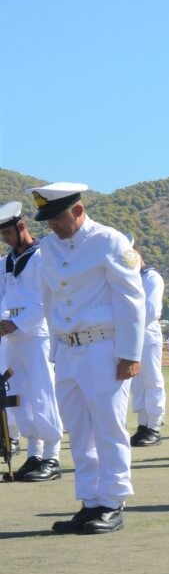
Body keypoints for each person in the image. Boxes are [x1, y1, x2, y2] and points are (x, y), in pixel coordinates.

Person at [27, 182, 143, 532]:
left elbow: (131, 300)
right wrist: (55, 348)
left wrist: (129, 354)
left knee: (108, 426)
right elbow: (49, 298)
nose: (52, 226)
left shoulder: (109, 241)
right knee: (78, 429)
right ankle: (90, 500)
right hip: (69, 349)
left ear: (78, 210)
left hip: (103, 348)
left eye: (57, 217)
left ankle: (113, 501)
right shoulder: (48, 248)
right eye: (47, 220)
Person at [0, 201, 64, 480]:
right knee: (18, 395)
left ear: (22, 226)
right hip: (11, 335)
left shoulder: (42, 257)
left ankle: (52, 455)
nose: (5, 239)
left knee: (42, 392)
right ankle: (33, 453)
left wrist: (16, 322)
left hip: (36, 333)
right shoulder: (5, 262)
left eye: (8, 233)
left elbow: (47, 299)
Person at [128, 243, 167, 447]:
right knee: (137, 382)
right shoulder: (128, 279)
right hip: (131, 335)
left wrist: (127, 324)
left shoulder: (152, 278)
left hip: (147, 332)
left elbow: (151, 310)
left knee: (152, 378)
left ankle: (154, 425)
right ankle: (142, 424)